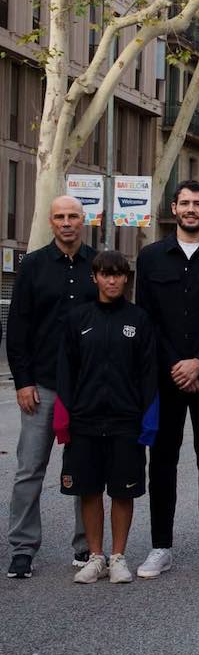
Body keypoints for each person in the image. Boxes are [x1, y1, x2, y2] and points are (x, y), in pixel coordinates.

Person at [133, 180, 199, 580]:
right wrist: (176, 365)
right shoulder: (150, 257)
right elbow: (145, 316)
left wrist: (198, 362)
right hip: (164, 376)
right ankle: (160, 546)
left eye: (198, 203)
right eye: (184, 203)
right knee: (161, 461)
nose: (191, 209)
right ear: (174, 209)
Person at [55, 251, 159, 584]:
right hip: (84, 420)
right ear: (95, 278)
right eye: (105, 274)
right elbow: (65, 371)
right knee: (88, 490)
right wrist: (63, 417)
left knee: (122, 491)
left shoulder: (139, 320)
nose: (111, 280)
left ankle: (118, 557)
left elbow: (148, 374)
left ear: (126, 278)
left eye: (117, 274)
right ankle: (96, 556)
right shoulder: (77, 319)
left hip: (125, 421)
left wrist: (149, 419)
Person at [6, 196, 95, 579]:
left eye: (73, 215)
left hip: (87, 386)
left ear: (84, 220)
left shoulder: (99, 265)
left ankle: (86, 546)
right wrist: (22, 382)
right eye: (59, 217)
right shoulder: (33, 265)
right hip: (42, 386)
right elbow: (18, 328)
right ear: (50, 221)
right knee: (30, 467)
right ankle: (23, 548)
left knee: (84, 468)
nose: (66, 222)